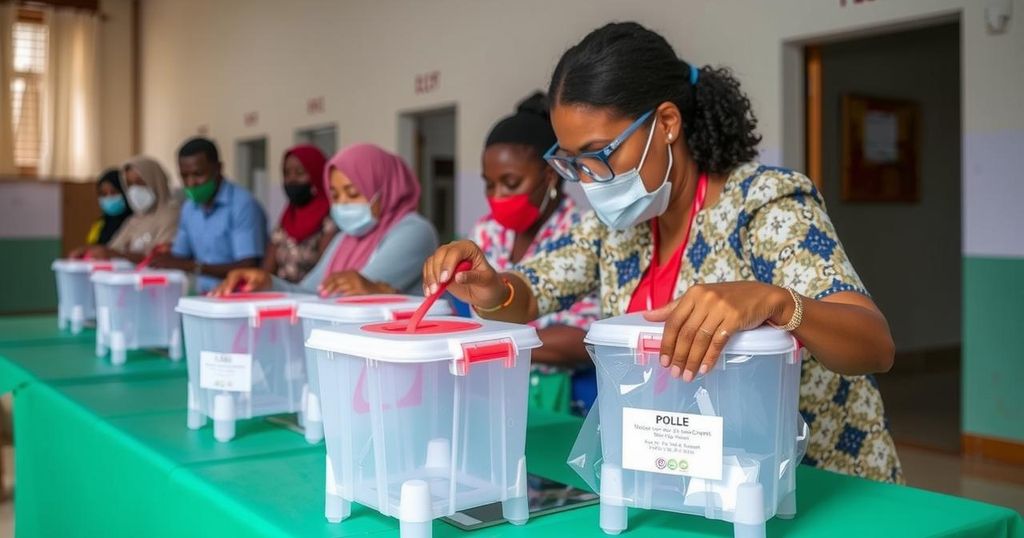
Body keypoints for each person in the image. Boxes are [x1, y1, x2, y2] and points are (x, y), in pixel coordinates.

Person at [423, 22, 902, 483]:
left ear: (667, 124)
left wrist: (777, 302)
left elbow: (873, 345)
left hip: (816, 484)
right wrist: (489, 288)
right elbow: (526, 297)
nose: (588, 180)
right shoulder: (617, 231)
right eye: (573, 163)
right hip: (695, 484)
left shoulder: (763, 204)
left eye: (599, 154)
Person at [473, 92, 600, 413]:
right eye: (489, 184)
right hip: (488, 386)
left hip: (559, 396)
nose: (498, 195)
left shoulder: (581, 232)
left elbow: (585, 340)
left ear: (550, 174)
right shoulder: (486, 231)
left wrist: (496, 341)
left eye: (510, 183)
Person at [212, 143, 437, 297]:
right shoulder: (346, 239)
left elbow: (357, 294)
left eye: (353, 192)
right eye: (335, 195)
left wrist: (359, 286)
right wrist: (267, 283)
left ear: (383, 188)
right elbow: (311, 293)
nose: (343, 204)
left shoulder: (414, 232)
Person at [150, 137, 267, 293]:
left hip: (236, 297)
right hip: (201, 296)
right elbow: (180, 256)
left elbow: (248, 266)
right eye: (184, 176)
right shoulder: (189, 208)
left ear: (218, 168)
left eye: (198, 174)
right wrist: (164, 257)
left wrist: (194, 266)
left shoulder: (243, 205)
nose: (191, 183)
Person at [74, 156, 180, 263]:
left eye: (139, 182)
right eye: (129, 185)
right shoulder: (135, 219)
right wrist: (88, 250)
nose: (134, 190)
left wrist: (118, 255)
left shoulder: (171, 216)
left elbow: (160, 258)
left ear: (155, 182)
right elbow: (113, 248)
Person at [262, 145, 337, 283]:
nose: (292, 179)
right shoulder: (286, 220)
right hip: (280, 297)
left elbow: (324, 274)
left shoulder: (330, 220)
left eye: (300, 173)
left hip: (314, 298)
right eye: (286, 173)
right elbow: (267, 271)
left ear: (316, 174)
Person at [76, 169, 132, 253]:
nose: (109, 198)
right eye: (104, 194)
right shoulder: (99, 224)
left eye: (113, 192)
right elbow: (91, 246)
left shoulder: (135, 221)